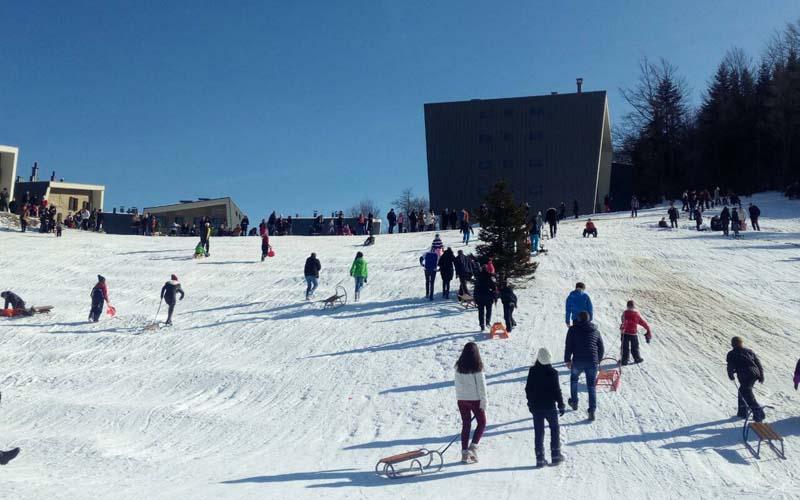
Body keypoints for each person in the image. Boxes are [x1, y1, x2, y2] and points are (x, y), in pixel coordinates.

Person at [525, 347, 565, 467]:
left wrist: (530, 404)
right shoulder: (553, 372)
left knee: (539, 432)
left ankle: (540, 459)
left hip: (536, 407)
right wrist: (561, 404)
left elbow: (528, 389)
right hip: (550, 407)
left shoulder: (532, 371)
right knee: (554, 429)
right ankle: (556, 456)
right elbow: (556, 390)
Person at [564, 311, 604, 421]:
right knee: (591, 386)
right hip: (592, 362)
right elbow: (601, 347)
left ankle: (574, 402)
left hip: (578, 361)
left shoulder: (573, 329)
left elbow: (568, 345)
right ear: (589, 319)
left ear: (579, 319)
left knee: (574, 380)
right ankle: (592, 410)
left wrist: (567, 360)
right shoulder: (595, 331)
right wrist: (598, 360)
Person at [454, 342, 487, 464]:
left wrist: (460, 397)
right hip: (475, 399)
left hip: (461, 399)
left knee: (466, 425)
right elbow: (482, 387)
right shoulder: (477, 367)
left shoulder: (458, 367)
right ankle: (473, 447)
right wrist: (483, 401)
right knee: (482, 422)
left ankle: (464, 453)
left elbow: (457, 384)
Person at [727, 336, 765, 422]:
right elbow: (758, 363)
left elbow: (730, 366)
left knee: (747, 393)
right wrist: (761, 375)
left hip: (745, 375)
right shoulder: (749, 351)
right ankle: (742, 412)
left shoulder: (731, 354)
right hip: (755, 374)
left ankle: (759, 413)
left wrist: (730, 374)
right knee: (742, 391)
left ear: (733, 344)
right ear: (741, 343)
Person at [619, 300, 652, 365]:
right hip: (633, 334)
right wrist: (647, 328)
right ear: (634, 306)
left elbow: (622, 320)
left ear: (627, 306)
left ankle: (624, 360)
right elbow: (642, 322)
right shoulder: (636, 314)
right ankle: (637, 358)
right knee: (635, 347)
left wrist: (622, 327)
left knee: (624, 347)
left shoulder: (625, 313)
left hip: (625, 333)